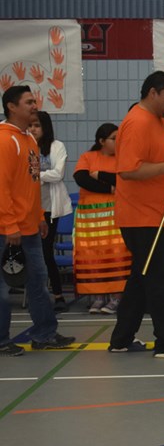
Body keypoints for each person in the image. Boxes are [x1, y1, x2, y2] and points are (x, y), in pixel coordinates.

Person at [108, 71, 164, 359]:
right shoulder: (137, 123)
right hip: (143, 217)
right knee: (159, 278)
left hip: (160, 214)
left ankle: (121, 339)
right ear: (153, 93)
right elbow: (128, 170)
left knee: (141, 277)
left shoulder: (159, 121)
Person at [0, 86, 74, 356]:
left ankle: (45, 333)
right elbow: (2, 188)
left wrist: (40, 216)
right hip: (7, 229)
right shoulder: (5, 140)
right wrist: (10, 225)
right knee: (3, 289)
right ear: (12, 106)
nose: (35, 105)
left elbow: (31, 186)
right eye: (29, 101)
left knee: (38, 282)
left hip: (29, 227)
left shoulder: (29, 139)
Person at [73, 123, 130, 314]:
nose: (118, 142)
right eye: (114, 139)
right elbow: (82, 179)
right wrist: (109, 188)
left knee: (116, 254)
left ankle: (116, 297)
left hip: (115, 215)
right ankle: (97, 296)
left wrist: (100, 176)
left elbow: (123, 180)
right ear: (101, 141)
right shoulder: (88, 157)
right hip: (90, 217)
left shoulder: (123, 159)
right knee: (92, 255)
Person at [27, 111, 72, 313]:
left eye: (36, 125)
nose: (32, 129)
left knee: (46, 253)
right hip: (28, 209)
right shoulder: (24, 146)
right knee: (31, 254)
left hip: (49, 209)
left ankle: (58, 295)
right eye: (30, 125)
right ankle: (37, 295)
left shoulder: (56, 146)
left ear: (45, 126)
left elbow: (58, 174)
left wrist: (35, 175)